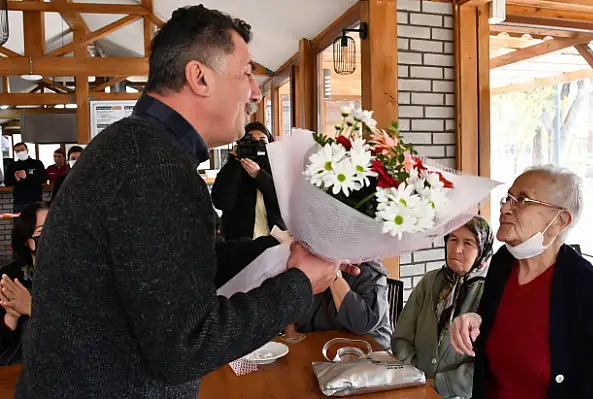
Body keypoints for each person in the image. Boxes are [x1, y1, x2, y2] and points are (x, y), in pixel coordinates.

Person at [16, 6, 356, 398]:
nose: (255, 91)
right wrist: (299, 285)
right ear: (199, 77)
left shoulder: (137, 147)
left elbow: (183, 267)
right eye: (247, 72)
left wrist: (286, 251)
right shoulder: (151, 165)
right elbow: (185, 345)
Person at [449, 165, 593, 399]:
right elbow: (496, 331)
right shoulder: (503, 262)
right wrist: (476, 319)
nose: (505, 208)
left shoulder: (588, 289)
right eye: (507, 198)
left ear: (560, 220)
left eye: (522, 200)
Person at [392, 216, 494, 399]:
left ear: (482, 250)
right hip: (415, 388)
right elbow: (402, 337)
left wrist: (440, 384)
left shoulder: (491, 293)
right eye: (453, 239)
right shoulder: (429, 282)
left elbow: (489, 365)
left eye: (468, 243)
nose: (457, 249)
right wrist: (416, 377)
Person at [295, 258, 392, 349]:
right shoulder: (309, 264)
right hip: (323, 348)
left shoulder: (368, 268)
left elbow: (362, 323)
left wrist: (332, 274)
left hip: (370, 353)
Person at [212, 121, 285, 240]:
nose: (257, 144)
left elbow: (284, 202)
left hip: (275, 240)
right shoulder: (233, 168)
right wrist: (235, 161)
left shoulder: (279, 169)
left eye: (262, 140)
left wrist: (259, 175)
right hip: (240, 243)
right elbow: (222, 202)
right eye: (252, 141)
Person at [0, 202, 49, 366]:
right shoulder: (9, 277)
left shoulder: (75, 277)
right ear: (26, 240)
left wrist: (30, 308)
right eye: (42, 232)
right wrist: (11, 316)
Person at [5, 143, 46, 213]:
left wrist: (27, 177)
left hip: (35, 201)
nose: (20, 152)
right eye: (17, 151)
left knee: (37, 223)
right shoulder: (12, 166)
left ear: (27, 150)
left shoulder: (37, 163)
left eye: (22, 150)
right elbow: (7, 183)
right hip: (19, 202)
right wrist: (14, 177)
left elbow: (42, 179)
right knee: (19, 223)